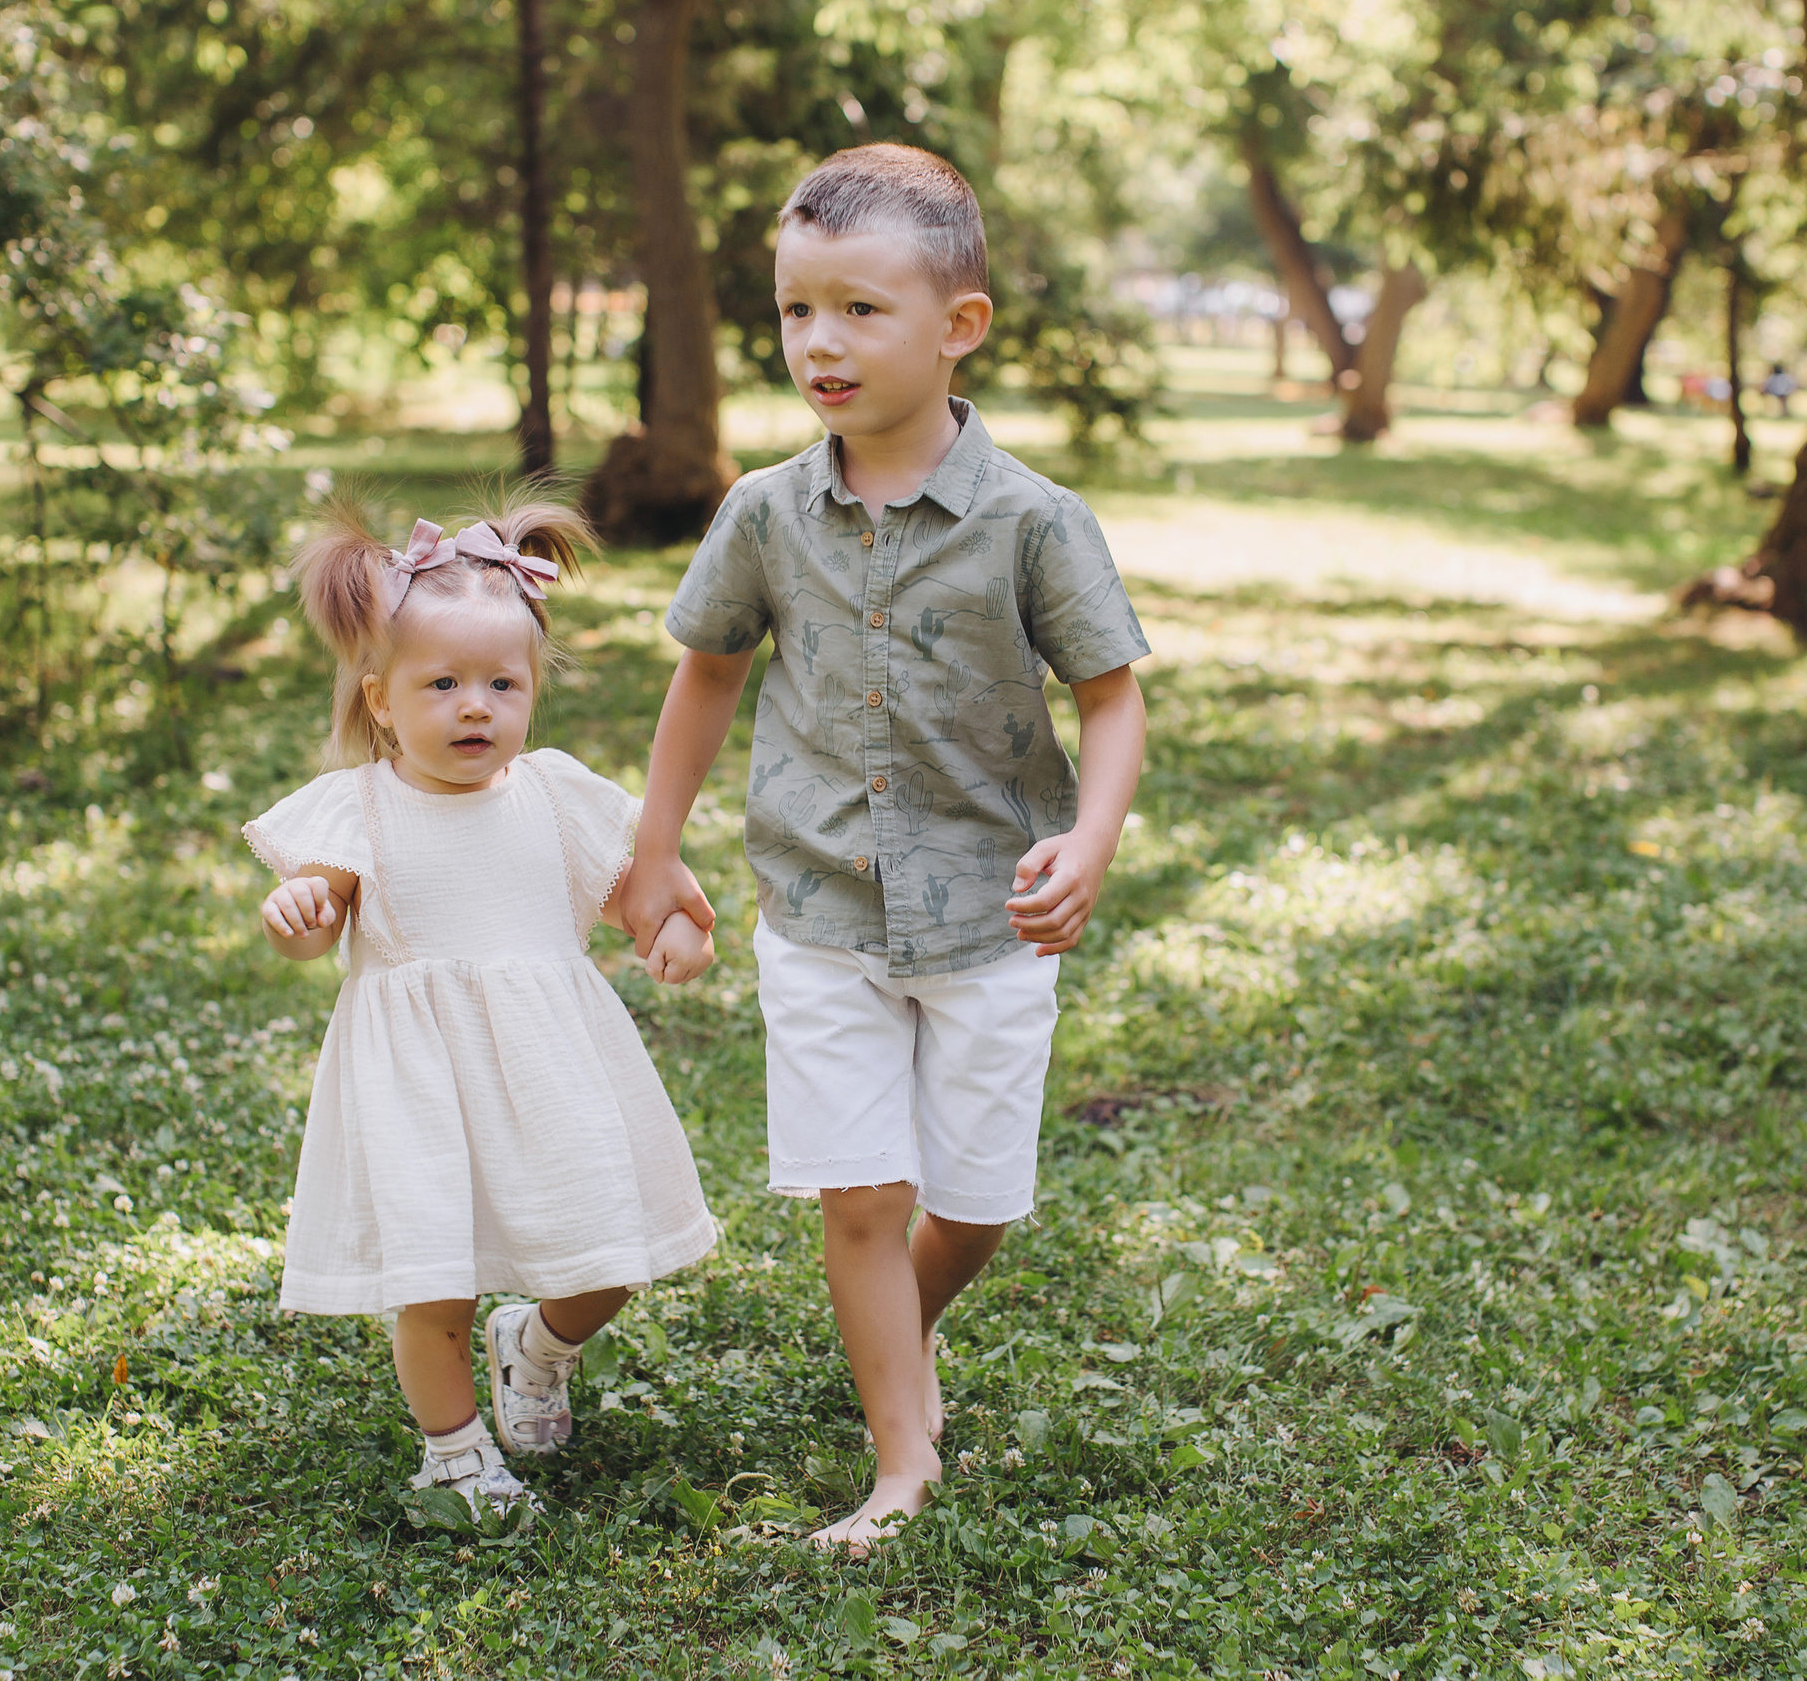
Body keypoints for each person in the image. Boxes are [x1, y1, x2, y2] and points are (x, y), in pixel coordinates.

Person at [618, 144, 1151, 1552]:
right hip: (819, 905)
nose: (820, 343)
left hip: (992, 913)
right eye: (798, 310)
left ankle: (892, 1350)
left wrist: (1091, 838)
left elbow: (1110, 697)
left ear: (957, 324)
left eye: (860, 309)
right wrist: (653, 848)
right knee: (859, 1190)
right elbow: (708, 675)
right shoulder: (766, 512)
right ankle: (902, 1458)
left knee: (969, 1205)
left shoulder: (1034, 519)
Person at [245, 497, 720, 1515]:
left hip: (552, 1072)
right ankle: (455, 1454)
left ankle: (538, 1344)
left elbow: (634, 900)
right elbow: (316, 919)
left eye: (502, 684)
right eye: (444, 684)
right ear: (380, 699)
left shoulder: (553, 796)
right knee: (434, 1284)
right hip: (418, 1091)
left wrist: (674, 931)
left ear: (532, 691)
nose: (475, 707)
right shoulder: (358, 810)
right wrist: (296, 910)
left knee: (609, 1256)